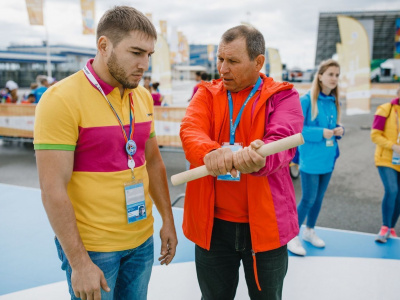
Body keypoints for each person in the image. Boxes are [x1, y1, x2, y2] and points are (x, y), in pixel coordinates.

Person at [34, 6, 177, 300]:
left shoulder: (142, 95)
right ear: (104, 45)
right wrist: (79, 262)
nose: (144, 64)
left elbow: (152, 163)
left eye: (149, 55)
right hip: (93, 249)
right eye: (136, 53)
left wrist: (168, 222)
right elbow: (52, 189)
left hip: (141, 241)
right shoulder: (59, 100)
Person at [179, 25, 303, 300]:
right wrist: (212, 152)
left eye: (232, 61)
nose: (223, 69)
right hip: (213, 227)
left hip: (266, 228)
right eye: (220, 59)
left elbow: (282, 141)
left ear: (258, 62)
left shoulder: (283, 96)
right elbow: (190, 130)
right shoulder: (206, 93)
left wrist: (260, 158)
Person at [287, 59, 344, 256]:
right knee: (308, 199)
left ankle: (310, 231)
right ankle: (292, 236)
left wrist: (340, 129)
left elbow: (335, 123)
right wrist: (321, 133)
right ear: (319, 76)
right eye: (330, 74)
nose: (334, 78)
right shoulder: (305, 100)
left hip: (328, 159)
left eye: (337, 75)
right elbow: (297, 130)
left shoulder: (334, 100)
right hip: (310, 159)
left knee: (318, 199)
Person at [371, 87, 400, 243]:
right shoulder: (385, 109)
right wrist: (393, 146)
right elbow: (375, 135)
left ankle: (391, 228)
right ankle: (384, 227)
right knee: (392, 190)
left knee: (399, 196)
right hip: (386, 158)